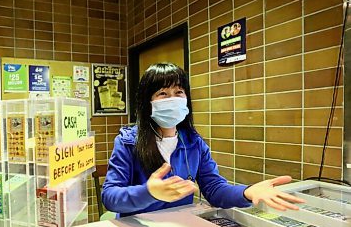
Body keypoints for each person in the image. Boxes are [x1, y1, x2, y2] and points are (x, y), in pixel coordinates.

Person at [102, 62, 304, 217]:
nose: (173, 98)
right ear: (147, 103)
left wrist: (247, 192)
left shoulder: (194, 143)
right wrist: (148, 192)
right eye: (163, 93)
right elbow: (110, 198)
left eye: (179, 92)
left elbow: (214, 189)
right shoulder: (128, 142)